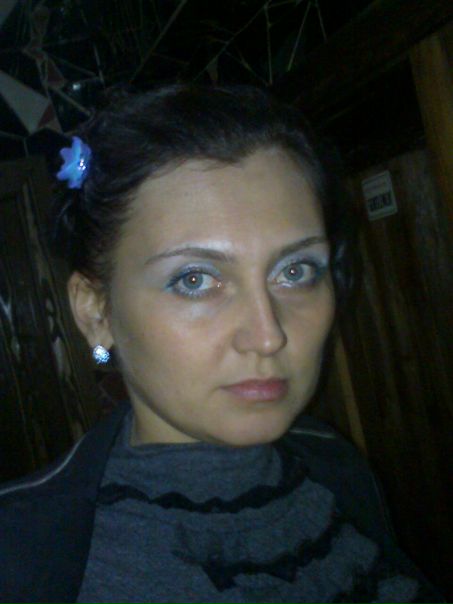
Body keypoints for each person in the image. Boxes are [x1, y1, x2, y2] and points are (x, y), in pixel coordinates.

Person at [0, 84, 444, 603]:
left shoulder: (336, 466)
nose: (268, 335)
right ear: (96, 312)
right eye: (194, 280)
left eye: (296, 271)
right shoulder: (23, 560)